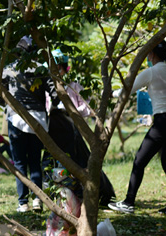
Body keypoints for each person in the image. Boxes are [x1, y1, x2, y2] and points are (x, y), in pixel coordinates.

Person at [108, 40, 166, 214]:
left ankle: (128, 202)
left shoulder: (151, 72)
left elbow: (126, 90)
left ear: (151, 54)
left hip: (163, 121)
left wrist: (110, 93)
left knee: (139, 161)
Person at [45, 49, 116, 206]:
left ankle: (100, 194)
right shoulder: (45, 86)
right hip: (53, 129)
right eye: (53, 69)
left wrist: (71, 111)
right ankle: (54, 195)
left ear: (64, 68)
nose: (56, 72)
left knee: (81, 161)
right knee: (52, 162)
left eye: (59, 68)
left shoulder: (73, 86)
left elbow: (87, 108)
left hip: (71, 129)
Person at [2, 36, 59, 213]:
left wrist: (6, 107)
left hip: (16, 118)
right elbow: (55, 96)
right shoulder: (42, 69)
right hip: (39, 120)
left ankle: (23, 203)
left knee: (19, 163)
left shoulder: (8, 70)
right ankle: (37, 200)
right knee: (35, 161)